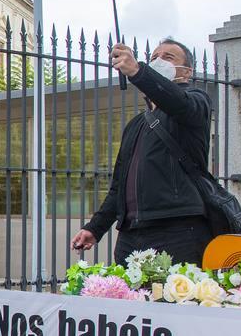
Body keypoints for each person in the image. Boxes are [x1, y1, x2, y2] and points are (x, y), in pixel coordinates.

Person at [71, 39, 213, 265]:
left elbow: (180, 103)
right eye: (154, 57)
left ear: (187, 72)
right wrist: (95, 228)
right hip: (131, 235)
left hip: (178, 230)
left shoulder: (197, 101)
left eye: (168, 57)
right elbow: (119, 186)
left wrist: (139, 72)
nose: (158, 61)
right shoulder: (136, 124)